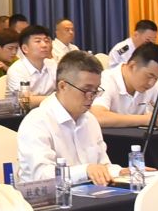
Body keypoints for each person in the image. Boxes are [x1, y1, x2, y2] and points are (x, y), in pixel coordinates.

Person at [17, 52, 116, 185]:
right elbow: (41, 176)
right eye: (86, 90)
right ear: (63, 86)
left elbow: (102, 165)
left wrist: (120, 172)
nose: (92, 96)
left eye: (96, 90)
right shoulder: (36, 122)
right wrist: (85, 171)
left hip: (87, 193)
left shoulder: (90, 120)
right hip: (50, 197)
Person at [91, 42, 158, 129]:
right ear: (132, 66)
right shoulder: (106, 80)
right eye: (149, 76)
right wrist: (144, 119)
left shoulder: (151, 83)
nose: (151, 83)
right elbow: (98, 116)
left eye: (156, 78)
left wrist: (155, 116)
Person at [5, 24, 60, 107]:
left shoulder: (53, 64)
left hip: (50, 110)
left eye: (46, 41)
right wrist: (57, 98)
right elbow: (25, 101)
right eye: (38, 41)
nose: (44, 45)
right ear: (25, 49)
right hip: (22, 113)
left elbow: (65, 90)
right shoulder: (16, 70)